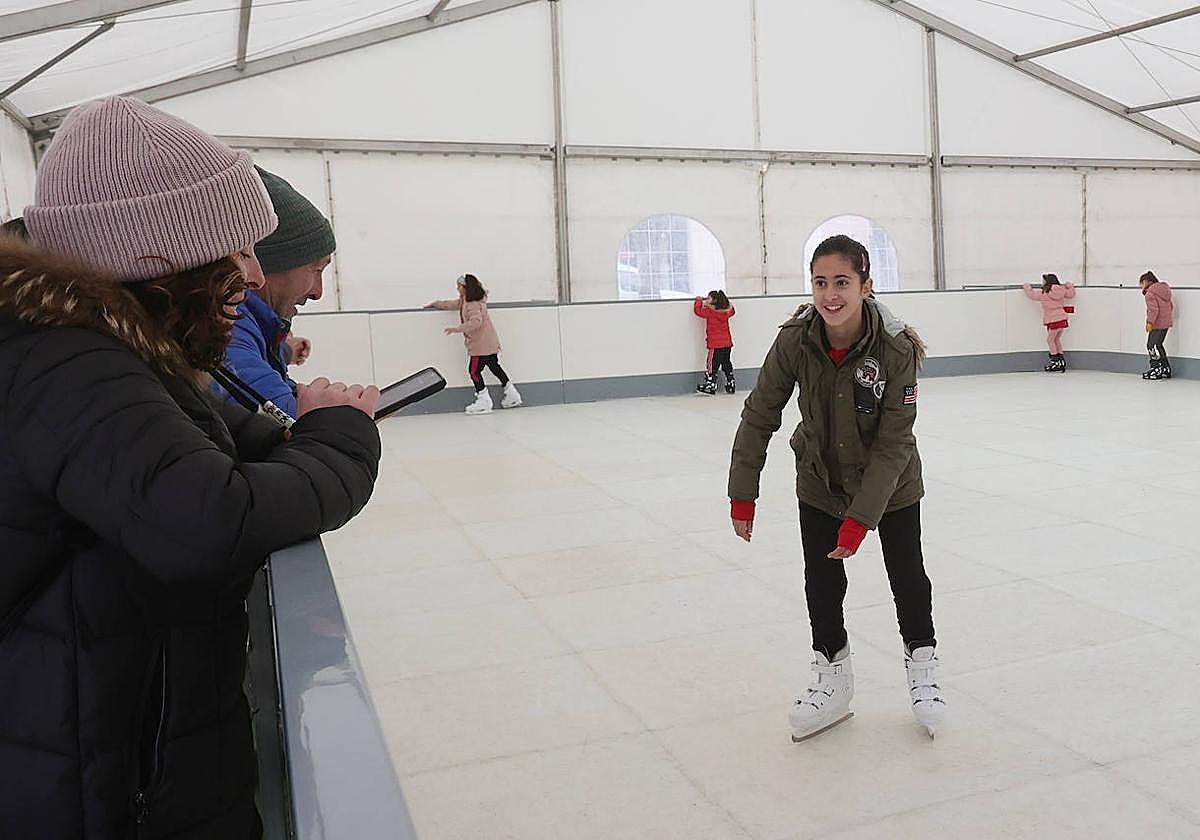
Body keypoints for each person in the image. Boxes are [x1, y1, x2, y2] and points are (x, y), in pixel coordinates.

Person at [0, 96, 382, 840]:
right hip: (95, 775)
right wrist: (339, 439)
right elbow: (211, 519)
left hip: (116, 741)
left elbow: (230, 441)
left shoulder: (116, 347)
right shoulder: (64, 359)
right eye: (236, 248)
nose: (249, 272)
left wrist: (303, 433)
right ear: (164, 254)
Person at [727, 234, 944, 742]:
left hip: (891, 488)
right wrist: (743, 491)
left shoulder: (896, 347)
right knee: (822, 585)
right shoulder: (796, 339)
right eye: (820, 282)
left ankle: (923, 665)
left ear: (866, 285)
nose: (830, 294)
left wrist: (861, 518)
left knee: (908, 578)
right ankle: (832, 675)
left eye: (842, 282)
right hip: (821, 480)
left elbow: (894, 443)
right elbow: (761, 413)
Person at [221, 166, 331, 417]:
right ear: (266, 266)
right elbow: (287, 422)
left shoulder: (248, 323)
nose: (318, 292)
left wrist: (285, 350)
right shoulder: (224, 328)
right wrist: (350, 418)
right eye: (316, 270)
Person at [426, 273, 522, 414]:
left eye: (459, 286)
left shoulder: (472, 304)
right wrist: (436, 304)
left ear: (465, 287)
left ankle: (484, 401)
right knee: (494, 366)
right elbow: (453, 304)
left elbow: (476, 321)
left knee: (474, 371)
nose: (457, 288)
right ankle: (512, 394)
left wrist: (457, 329)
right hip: (489, 341)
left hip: (480, 345)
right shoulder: (468, 300)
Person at [1023, 273, 1076, 373]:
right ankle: (1061, 361)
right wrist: (1069, 285)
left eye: (1043, 281)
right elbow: (1071, 294)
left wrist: (1027, 287)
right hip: (1062, 318)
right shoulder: (1062, 290)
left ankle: (1055, 362)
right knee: (1056, 339)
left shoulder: (1045, 293)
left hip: (1053, 319)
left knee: (1050, 340)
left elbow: (1032, 295)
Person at [694, 289, 736, 395]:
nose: (707, 300)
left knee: (712, 364)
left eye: (709, 298)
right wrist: (728, 304)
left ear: (714, 300)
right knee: (726, 362)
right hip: (727, 344)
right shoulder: (726, 312)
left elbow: (697, 311)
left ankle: (711, 384)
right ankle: (730, 381)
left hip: (715, 345)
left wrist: (698, 300)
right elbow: (732, 310)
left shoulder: (709, 311)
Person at [1140, 270, 1174, 380]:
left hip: (1157, 324)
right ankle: (1165, 367)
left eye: (1141, 283)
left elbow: (1153, 310)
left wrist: (1150, 322)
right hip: (1166, 323)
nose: (1141, 286)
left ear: (1146, 282)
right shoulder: (1165, 291)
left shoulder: (1150, 294)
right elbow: (1171, 307)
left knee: (1150, 345)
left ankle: (1156, 368)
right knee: (1159, 344)